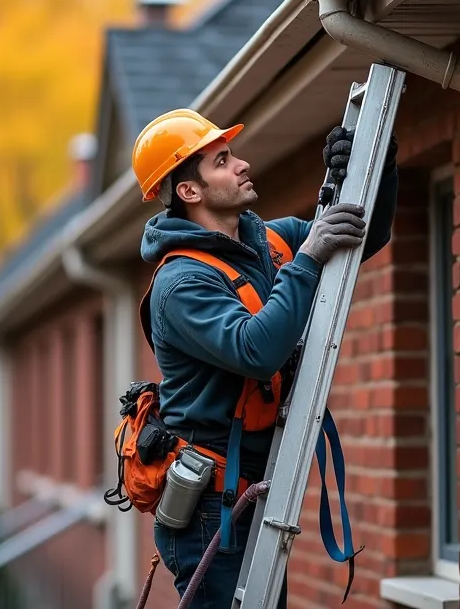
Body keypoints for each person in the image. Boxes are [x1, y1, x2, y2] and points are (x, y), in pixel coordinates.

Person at [131, 107, 398, 607]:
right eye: (222, 161)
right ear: (190, 191)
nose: (242, 165)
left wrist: (375, 163)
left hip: (252, 492)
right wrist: (308, 259)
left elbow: (364, 237)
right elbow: (256, 349)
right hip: (211, 508)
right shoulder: (181, 284)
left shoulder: (266, 241)